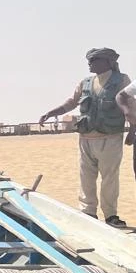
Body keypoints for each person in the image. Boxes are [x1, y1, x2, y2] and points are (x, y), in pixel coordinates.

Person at [40, 48, 130, 226]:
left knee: (109, 178)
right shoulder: (86, 82)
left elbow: (130, 104)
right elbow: (71, 102)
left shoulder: (122, 80)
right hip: (86, 138)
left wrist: (133, 130)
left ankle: (111, 215)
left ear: (107, 61)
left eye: (94, 59)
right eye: (89, 60)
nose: (90, 63)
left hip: (110, 137)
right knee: (86, 177)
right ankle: (88, 212)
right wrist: (52, 112)